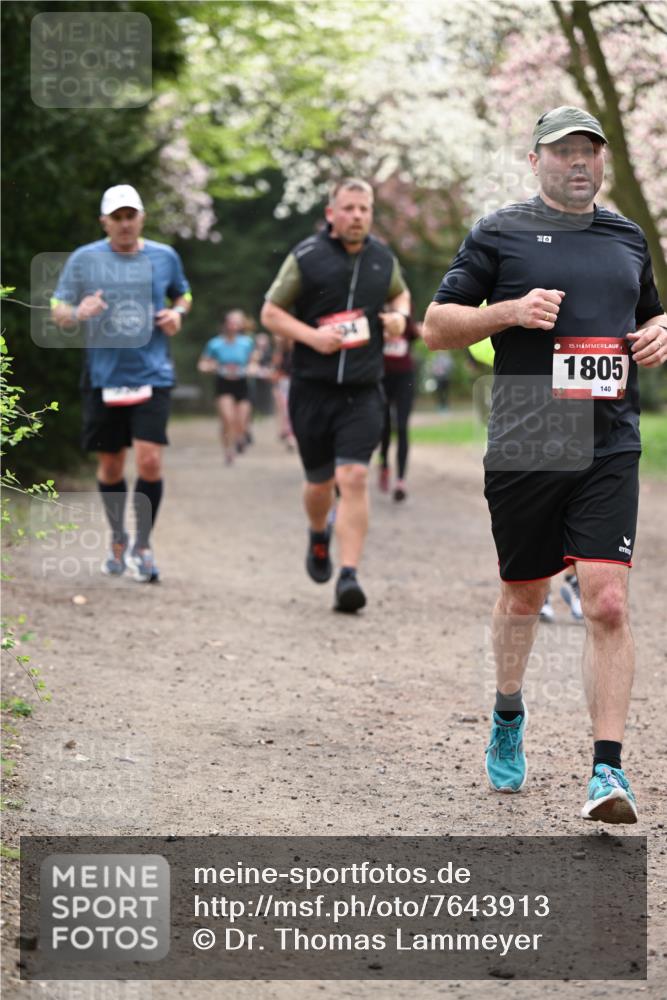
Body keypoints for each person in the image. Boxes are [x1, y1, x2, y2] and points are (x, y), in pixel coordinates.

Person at [423, 106, 666, 823]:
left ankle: (606, 772)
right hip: (531, 433)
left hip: (608, 437)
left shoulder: (626, 237)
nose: (579, 161)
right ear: (536, 161)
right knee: (523, 597)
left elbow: (649, 312)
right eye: (563, 151)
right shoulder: (498, 232)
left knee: (607, 601)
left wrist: (659, 333)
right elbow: (437, 327)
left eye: (589, 150)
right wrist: (506, 312)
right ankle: (506, 712)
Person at [261, 177, 411, 612]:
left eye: (364, 209)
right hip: (312, 390)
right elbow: (270, 312)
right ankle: (317, 532)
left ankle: (349, 575)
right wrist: (311, 337)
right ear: (331, 214)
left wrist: (400, 316)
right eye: (348, 208)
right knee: (319, 484)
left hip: (363, 391)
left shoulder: (383, 259)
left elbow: (401, 295)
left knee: (354, 477)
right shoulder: (306, 257)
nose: (357, 216)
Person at [51, 184, 192, 581]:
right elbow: (57, 310)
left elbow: (184, 294)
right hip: (104, 376)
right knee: (111, 466)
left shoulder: (165, 256)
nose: (125, 224)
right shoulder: (84, 259)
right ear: (105, 222)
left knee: (149, 460)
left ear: (142, 218)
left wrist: (178, 313)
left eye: (131, 216)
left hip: (153, 374)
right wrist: (78, 311)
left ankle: (143, 546)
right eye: (117, 217)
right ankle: (117, 537)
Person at [198, 310, 254, 464]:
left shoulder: (247, 342)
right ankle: (228, 450)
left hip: (242, 384)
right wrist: (211, 367)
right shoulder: (215, 344)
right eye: (231, 322)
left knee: (241, 421)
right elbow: (203, 364)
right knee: (228, 419)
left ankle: (240, 437)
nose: (233, 325)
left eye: (237, 322)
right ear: (224, 324)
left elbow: (253, 362)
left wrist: (251, 368)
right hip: (223, 384)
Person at [378, 314, 420, 501]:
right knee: (385, 427)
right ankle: (384, 464)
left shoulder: (406, 315)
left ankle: (401, 481)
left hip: (405, 378)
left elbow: (417, 334)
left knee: (402, 427)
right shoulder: (377, 312)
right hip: (382, 377)